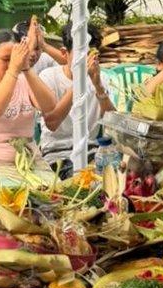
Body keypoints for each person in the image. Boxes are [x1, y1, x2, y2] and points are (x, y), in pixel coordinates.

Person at [0, 20, 59, 185]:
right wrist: (14, 70)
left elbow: (49, 105)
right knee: (11, 198)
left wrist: (26, 68)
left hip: (30, 161)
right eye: (5, 59)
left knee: (56, 194)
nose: (11, 64)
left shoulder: (25, 81)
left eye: (14, 59)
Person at [39, 22, 116, 179]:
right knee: (79, 181)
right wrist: (79, 82)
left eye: (90, 54)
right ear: (64, 53)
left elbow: (112, 121)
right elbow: (52, 123)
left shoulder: (101, 78)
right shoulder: (48, 77)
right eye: (80, 55)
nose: (86, 61)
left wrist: (98, 87)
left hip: (92, 151)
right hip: (58, 154)